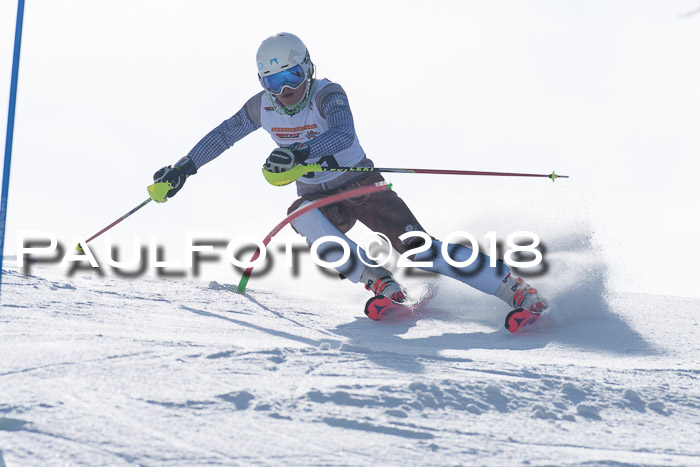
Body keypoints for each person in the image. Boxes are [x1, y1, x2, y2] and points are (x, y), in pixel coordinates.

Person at [153, 32, 548, 331]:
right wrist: (183, 168)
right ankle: (378, 281)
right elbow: (223, 135)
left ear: (308, 68)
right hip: (317, 196)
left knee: (418, 249)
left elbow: (342, 133)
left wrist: (299, 153)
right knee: (301, 215)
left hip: (360, 185)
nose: (286, 91)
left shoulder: (327, 93)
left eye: (292, 76)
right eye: (274, 83)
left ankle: (515, 289)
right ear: (263, 84)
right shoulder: (261, 107)